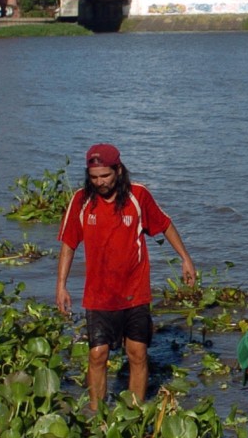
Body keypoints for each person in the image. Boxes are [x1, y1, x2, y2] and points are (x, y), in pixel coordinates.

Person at [55, 143, 196, 410]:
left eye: (105, 176)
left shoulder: (138, 196)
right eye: (94, 177)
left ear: (118, 170)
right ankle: (96, 415)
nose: (100, 182)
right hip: (98, 295)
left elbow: (165, 225)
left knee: (137, 353)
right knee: (98, 355)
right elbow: (68, 244)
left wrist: (185, 259)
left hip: (135, 291)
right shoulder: (80, 201)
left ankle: (134, 413)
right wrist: (61, 285)